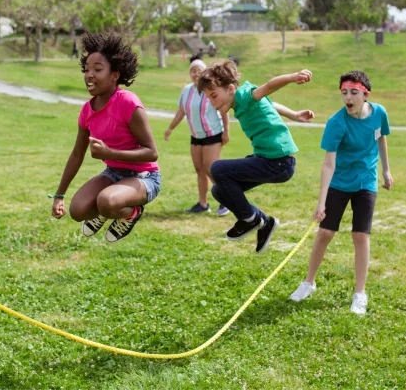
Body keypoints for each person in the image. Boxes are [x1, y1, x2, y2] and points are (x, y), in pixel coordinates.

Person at [290, 71, 392, 315]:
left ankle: (360, 293)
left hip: (366, 181)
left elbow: (381, 139)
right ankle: (308, 283)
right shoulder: (337, 122)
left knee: (360, 236)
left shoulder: (379, 113)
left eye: (354, 93)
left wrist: (386, 170)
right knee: (325, 232)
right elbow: (328, 163)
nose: (348, 98)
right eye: (344, 93)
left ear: (365, 95)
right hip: (340, 181)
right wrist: (321, 202)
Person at [51, 33, 160, 243]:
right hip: (113, 174)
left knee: (107, 202)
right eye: (87, 69)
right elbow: (76, 154)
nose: (89, 75)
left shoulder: (128, 103)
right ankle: (105, 211)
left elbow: (151, 152)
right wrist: (59, 195)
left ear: (115, 75)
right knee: (77, 210)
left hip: (144, 177)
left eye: (98, 69)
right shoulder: (86, 111)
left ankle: (131, 213)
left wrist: (109, 153)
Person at [198, 60, 315, 253]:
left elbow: (269, 87)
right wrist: (294, 115)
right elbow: (270, 103)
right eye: (209, 98)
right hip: (268, 160)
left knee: (217, 169)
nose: (212, 102)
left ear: (230, 89)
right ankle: (264, 221)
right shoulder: (243, 102)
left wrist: (293, 77)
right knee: (219, 191)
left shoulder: (246, 94)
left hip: (278, 162)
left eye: (214, 96)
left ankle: (250, 219)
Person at [164, 55, 230, 216]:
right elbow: (181, 111)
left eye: (198, 70)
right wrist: (170, 128)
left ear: (205, 72)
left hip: (213, 134)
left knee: (211, 169)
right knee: (199, 169)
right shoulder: (186, 90)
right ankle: (202, 204)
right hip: (196, 136)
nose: (195, 73)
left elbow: (223, 111)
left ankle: (226, 201)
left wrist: (226, 132)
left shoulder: (210, 88)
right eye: (192, 70)